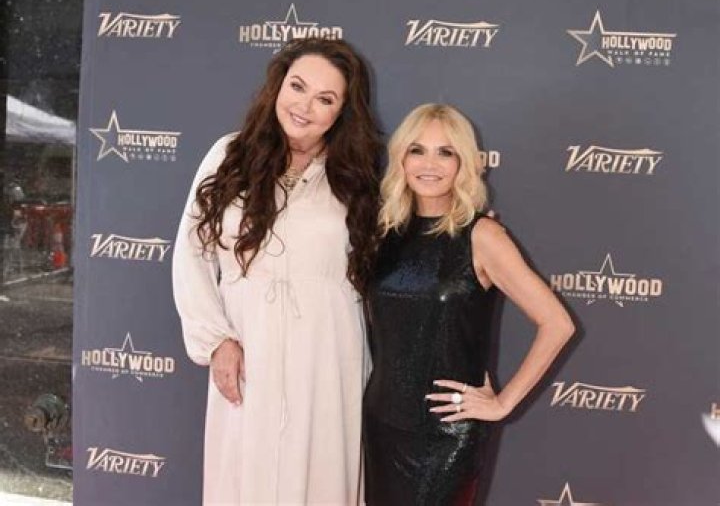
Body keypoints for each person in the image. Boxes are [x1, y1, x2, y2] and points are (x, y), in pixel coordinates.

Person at [172, 38, 381, 505]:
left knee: (323, 476)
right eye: (297, 87)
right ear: (278, 86)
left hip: (329, 354)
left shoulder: (356, 175)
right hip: (249, 346)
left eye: (325, 98)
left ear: (343, 111)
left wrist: (468, 231)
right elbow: (192, 255)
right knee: (243, 477)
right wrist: (216, 340)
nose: (304, 107)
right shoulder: (229, 156)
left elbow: (397, 250)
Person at [363, 103, 575, 505]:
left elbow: (557, 323)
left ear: (463, 163)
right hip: (381, 426)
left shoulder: (482, 235)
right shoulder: (383, 233)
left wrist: (502, 403)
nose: (430, 164)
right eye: (417, 150)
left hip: (447, 436)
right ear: (401, 158)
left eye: (445, 152)